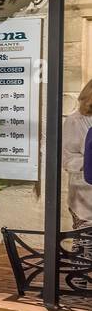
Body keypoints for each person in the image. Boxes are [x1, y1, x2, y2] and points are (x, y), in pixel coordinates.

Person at [63, 81, 92, 231]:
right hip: (85, 196)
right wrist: (87, 162)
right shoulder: (75, 121)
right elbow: (67, 160)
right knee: (85, 246)